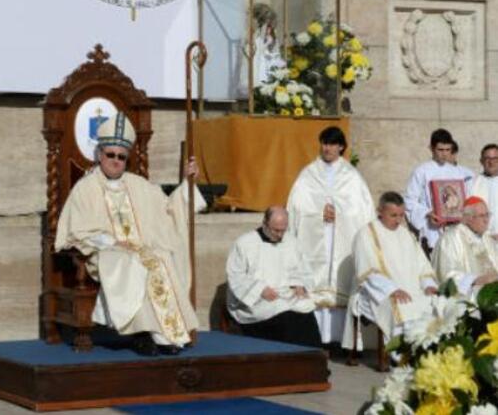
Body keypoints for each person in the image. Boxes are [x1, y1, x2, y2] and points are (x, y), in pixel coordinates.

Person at [55, 112, 204, 356]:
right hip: (105, 252)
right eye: (110, 155)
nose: (115, 161)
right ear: (99, 155)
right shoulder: (85, 188)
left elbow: (169, 210)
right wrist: (113, 241)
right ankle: (152, 335)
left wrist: (188, 184)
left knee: (161, 258)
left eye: (121, 157)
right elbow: (77, 230)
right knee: (137, 263)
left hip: (139, 249)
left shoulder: (138, 184)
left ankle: (161, 334)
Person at [287, 126, 374, 345]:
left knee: (339, 280)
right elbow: (297, 207)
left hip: (341, 238)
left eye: (332, 144)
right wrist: (318, 212)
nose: (327, 148)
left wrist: (340, 213)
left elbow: (360, 211)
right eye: (324, 143)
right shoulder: (309, 174)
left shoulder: (352, 176)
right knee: (315, 279)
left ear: (341, 147)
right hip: (316, 238)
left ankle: (339, 339)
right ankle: (316, 337)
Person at [342, 192, 438, 349]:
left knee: (434, 302)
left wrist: (428, 284)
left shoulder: (406, 234)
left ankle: (426, 349)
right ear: (380, 211)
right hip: (376, 291)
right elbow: (368, 272)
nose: (399, 220)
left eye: (401, 215)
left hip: (411, 289)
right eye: (393, 215)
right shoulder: (366, 234)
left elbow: (422, 266)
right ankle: (401, 353)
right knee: (401, 306)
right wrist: (391, 289)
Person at [226, 206, 321, 347]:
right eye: (276, 230)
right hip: (257, 300)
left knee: (306, 307)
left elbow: (302, 269)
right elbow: (235, 276)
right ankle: (284, 360)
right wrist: (260, 290)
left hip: (285, 293)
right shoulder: (245, 243)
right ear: (264, 223)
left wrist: (299, 284)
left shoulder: (292, 242)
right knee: (284, 314)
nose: (280, 235)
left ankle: (312, 360)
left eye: (283, 230)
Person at [404, 129, 474, 250]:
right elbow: (409, 201)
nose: (444, 154)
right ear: (431, 148)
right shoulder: (422, 171)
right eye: (440, 150)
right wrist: (427, 213)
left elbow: (466, 199)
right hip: (433, 230)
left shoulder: (458, 173)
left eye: (448, 150)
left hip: (456, 230)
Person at [432, 196, 498, 297]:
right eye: (481, 216)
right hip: (469, 294)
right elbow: (446, 274)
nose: (486, 220)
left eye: (487, 215)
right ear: (468, 218)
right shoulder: (451, 238)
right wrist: (475, 280)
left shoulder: (487, 238)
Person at [470, 144, 498, 238]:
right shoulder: (472, 184)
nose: (491, 162)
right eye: (487, 158)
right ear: (481, 161)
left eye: (495, 158)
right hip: (481, 239)